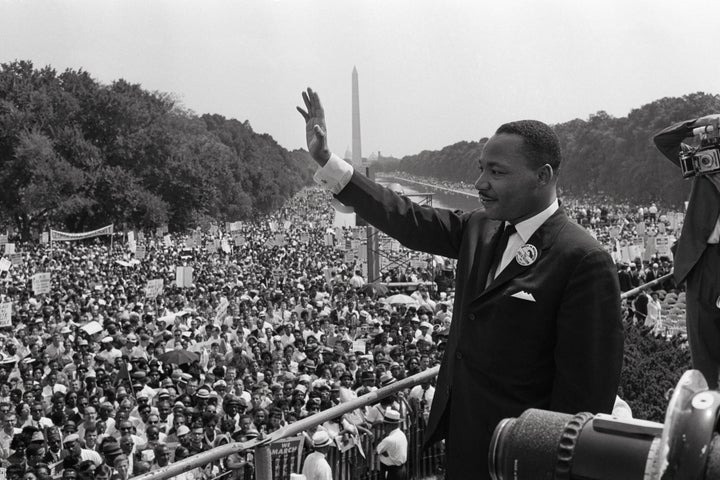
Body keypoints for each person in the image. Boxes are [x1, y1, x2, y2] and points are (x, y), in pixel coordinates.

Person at [297, 88, 624, 479]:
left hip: (524, 456)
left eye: (497, 172)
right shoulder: (480, 227)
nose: (480, 182)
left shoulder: (583, 260)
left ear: (543, 176)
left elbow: (585, 396)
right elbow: (406, 218)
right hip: (465, 440)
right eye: (481, 168)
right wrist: (327, 161)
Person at [654, 114, 720, 388]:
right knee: (702, 347)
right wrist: (697, 124)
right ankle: (708, 410)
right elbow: (663, 140)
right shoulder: (705, 160)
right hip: (703, 260)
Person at [376, 409, 408, 480]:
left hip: (391, 472)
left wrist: (384, 451)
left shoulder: (388, 440)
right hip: (402, 469)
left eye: (384, 425)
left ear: (389, 425)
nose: (384, 428)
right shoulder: (402, 434)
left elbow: (377, 450)